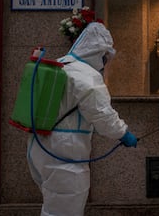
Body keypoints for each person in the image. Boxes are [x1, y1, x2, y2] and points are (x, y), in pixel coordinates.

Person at [27, 21, 138, 216]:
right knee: (63, 211)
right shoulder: (87, 77)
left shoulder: (62, 64)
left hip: (40, 146)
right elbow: (102, 115)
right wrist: (123, 133)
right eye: (104, 56)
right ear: (98, 53)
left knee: (53, 205)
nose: (105, 62)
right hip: (65, 151)